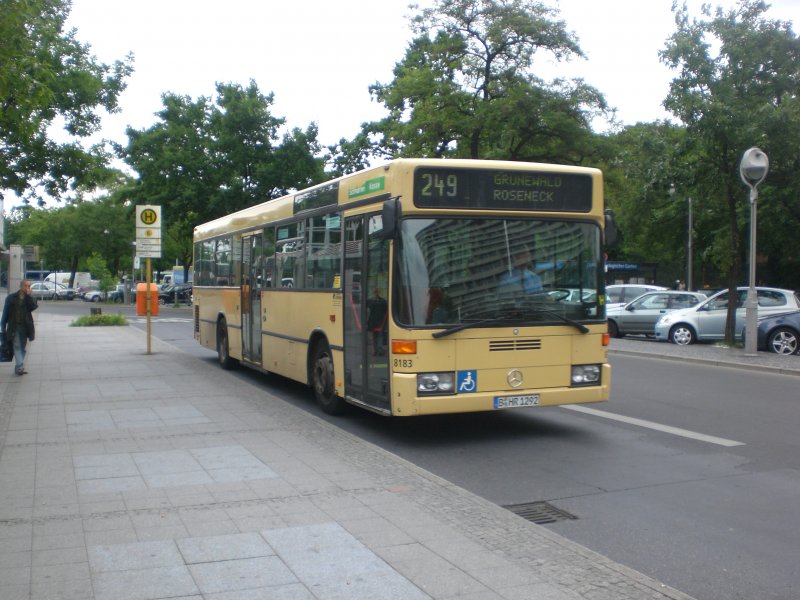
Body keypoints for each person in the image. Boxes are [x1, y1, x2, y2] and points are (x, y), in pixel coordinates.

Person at [1, 280, 39, 375]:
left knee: (22, 348)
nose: (27, 287)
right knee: (17, 346)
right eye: (25, 285)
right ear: (21, 286)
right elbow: (5, 313)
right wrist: (2, 326)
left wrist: (29, 296)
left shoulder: (29, 298)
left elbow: (33, 307)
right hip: (14, 327)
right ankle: (20, 367)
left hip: (26, 327)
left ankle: (18, 366)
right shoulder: (11, 298)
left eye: (29, 286)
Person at [366, 288, 388, 356]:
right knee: (379, 336)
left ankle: (375, 351)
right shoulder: (383, 301)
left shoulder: (370, 301)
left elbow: (367, 307)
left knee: (374, 337)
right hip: (380, 322)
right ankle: (379, 350)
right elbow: (386, 310)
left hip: (372, 322)